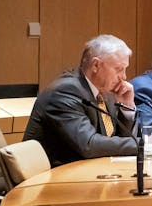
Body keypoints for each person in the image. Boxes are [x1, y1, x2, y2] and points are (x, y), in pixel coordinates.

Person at [23, 34, 140, 166]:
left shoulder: (104, 93)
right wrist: (146, 144)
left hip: (89, 172)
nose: (123, 77)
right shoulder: (65, 92)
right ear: (96, 65)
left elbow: (115, 143)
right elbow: (89, 145)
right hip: (52, 179)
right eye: (119, 69)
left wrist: (126, 108)